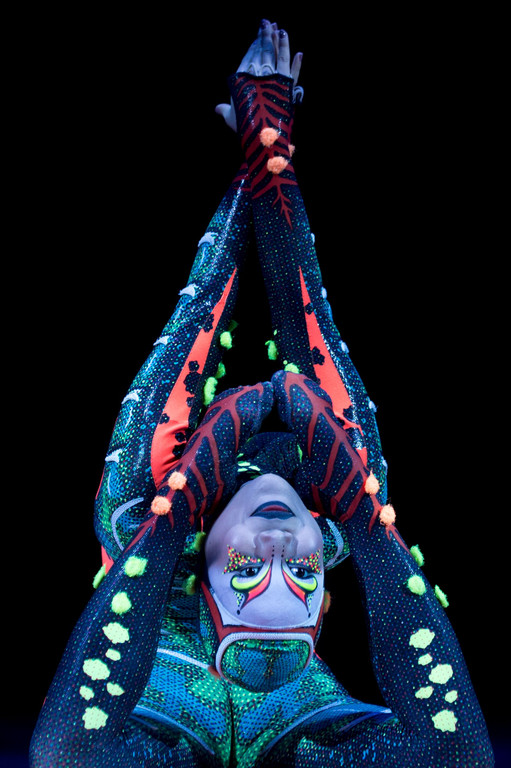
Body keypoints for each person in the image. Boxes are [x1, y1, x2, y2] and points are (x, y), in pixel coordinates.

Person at [30, 20, 494, 767]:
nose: (279, 549)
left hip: (161, 710)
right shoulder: (337, 504)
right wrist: (369, 522)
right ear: (326, 572)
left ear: (202, 568)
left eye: (246, 570)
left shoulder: (137, 511)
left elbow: (197, 316)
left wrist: (172, 514)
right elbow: (461, 753)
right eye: (302, 573)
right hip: (298, 717)